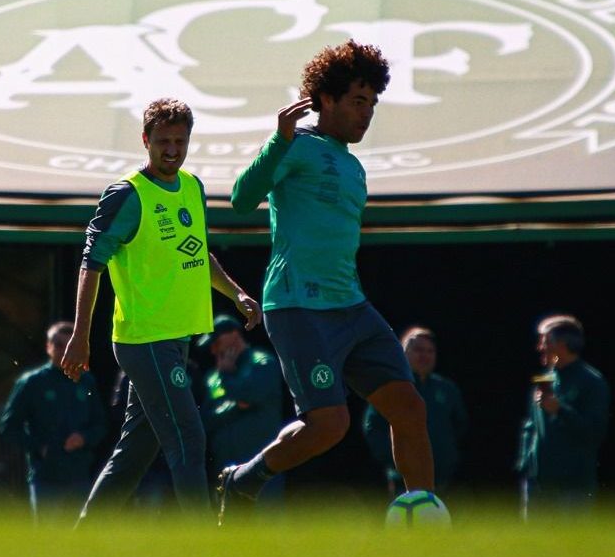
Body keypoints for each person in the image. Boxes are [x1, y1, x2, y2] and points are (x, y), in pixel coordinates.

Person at [217, 40, 434, 524]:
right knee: (329, 425)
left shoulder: (353, 166)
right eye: (359, 101)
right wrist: (278, 140)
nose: (367, 113)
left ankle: (425, 515)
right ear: (326, 100)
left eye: (373, 104)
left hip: (352, 308)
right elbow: (240, 198)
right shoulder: (295, 145)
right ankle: (245, 480)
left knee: (409, 407)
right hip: (298, 306)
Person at [59, 98, 261, 518]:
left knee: (136, 450)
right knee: (188, 436)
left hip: (177, 337)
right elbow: (90, 264)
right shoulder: (126, 195)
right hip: (145, 339)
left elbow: (197, 253)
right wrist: (80, 336)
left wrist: (236, 293)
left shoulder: (192, 186)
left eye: (180, 141)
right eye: (163, 141)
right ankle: (204, 547)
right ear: (145, 140)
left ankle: (83, 540)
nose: (172, 149)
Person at [0, 321, 107, 524]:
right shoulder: (33, 382)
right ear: (48, 347)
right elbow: (9, 426)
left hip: (79, 474)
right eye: (58, 345)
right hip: (46, 477)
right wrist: (39, 447)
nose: (63, 351)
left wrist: (84, 438)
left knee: (80, 536)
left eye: (68, 346)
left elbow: (100, 425)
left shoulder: (85, 381)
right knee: (48, 536)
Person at [516, 314, 610, 516]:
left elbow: (595, 431)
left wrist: (560, 410)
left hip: (572, 488)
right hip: (537, 485)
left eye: (544, 341)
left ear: (562, 344)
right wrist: (526, 464)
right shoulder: (544, 379)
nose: (539, 347)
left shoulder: (591, 382)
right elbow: (530, 426)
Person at [363, 326, 468, 496]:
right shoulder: (391, 387)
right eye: (418, 350)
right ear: (403, 352)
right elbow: (372, 427)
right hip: (402, 482)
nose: (424, 356)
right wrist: (397, 462)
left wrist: (448, 456)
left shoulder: (447, 389)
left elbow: (460, 425)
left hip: (442, 479)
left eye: (430, 351)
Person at [198, 314, 285, 506]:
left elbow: (249, 395)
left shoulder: (261, 363)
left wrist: (229, 379)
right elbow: (205, 419)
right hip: (225, 469)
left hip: (263, 465)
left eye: (216, 342)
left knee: (267, 523)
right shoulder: (215, 376)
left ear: (234, 335)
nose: (214, 350)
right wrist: (236, 407)